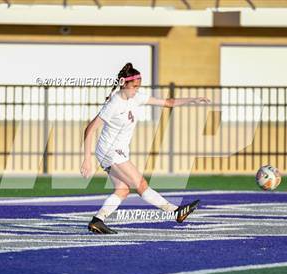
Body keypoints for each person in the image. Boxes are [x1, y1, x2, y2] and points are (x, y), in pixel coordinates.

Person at [80, 63, 210, 234]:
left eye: (138, 87)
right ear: (123, 83)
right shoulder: (114, 103)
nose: (136, 90)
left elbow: (168, 102)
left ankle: (98, 221)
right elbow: (90, 129)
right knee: (141, 184)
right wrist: (87, 160)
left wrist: (192, 99)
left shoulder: (136, 97)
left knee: (123, 189)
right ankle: (175, 211)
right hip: (110, 151)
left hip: (116, 151)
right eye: (134, 86)